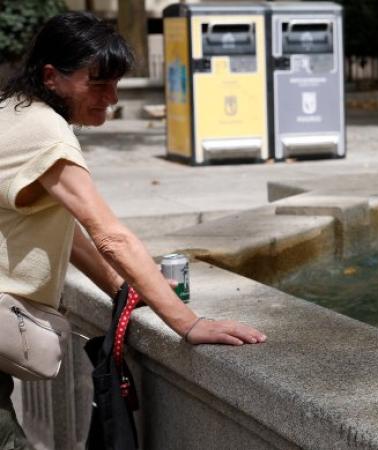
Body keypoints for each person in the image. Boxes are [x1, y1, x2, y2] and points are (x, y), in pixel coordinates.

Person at [0, 11, 267, 448]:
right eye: (98, 83)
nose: (112, 97)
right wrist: (188, 323)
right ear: (52, 77)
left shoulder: (15, 110)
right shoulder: (46, 133)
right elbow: (110, 235)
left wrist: (122, 287)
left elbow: (62, 229)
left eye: (116, 83)